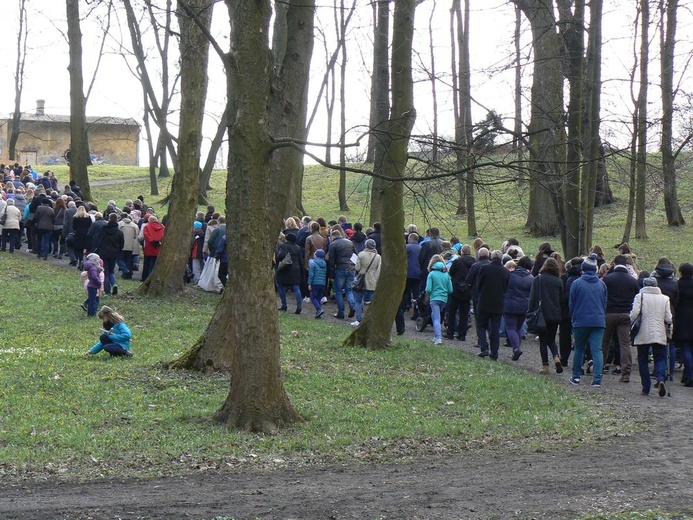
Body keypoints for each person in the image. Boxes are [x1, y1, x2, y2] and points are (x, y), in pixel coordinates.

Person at [568, 254, 606, 387]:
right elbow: (604, 303)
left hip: (581, 320)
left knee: (579, 348)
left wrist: (573, 317)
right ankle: (597, 379)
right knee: (597, 350)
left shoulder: (576, 284)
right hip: (598, 321)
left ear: (583, 269)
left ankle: (576, 376)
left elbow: (571, 304)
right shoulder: (602, 285)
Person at [601, 255, 640, 383]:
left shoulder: (607, 279)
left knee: (605, 342)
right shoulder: (632, 280)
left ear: (614, 264)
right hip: (625, 314)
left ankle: (600, 367)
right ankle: (625, 372)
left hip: (609, 313)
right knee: (624, 344)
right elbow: (636, 297)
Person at [631, 277, 673, 397]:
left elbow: (634, 314)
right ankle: (660, 379)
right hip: (659, 332)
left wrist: (631, 322)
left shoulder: (640, 296)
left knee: (643, 359)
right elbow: (669, 318)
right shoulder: (665, 298)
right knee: (660, 358)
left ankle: (646, 387)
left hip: (643, 332)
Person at [528, 257, 564, 372]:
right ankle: (556, 356)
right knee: (551, 339)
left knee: (543, 340)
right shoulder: (559, 281)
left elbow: (532, 297)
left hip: (542, 314)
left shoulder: (538, 279)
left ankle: (545, 365)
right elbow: (561, 299)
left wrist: (529, 311)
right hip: (555, 314)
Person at [476, 250, 510, 359]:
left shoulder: (485, 268)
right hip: (498, 303)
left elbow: (479, 284)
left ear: (491, 257)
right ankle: (494, 353)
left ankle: (484, 347)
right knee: (495, 329)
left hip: (484, 301)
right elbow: (506, 287)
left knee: (481, 325)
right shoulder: (505, 271)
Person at [504, 255, 534, 362]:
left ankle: (516, 348)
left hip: (510, 304)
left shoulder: (510, 275)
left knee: (510, 327)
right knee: (518, 328)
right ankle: (516, 349)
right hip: (524, 306)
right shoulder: (531, 278)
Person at [445, 244, 475, 340]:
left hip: (456, 289)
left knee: (452, 311)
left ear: (461, 251)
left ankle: (450, 332)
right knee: (464, 313)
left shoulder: (457, 261)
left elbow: (451, 273)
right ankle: (462, 335)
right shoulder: (474, 262)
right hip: (468, 289)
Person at [327, 229, 357, 319]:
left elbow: (331, 261)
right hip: (351, 268)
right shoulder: (350, 242)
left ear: (332, 237)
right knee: (349, 290)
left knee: (339, 291)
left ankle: (341, 312)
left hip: (340, 268)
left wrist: (331, 276)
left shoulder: (332, 245)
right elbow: (356, 255)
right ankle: (352, 305)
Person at [351, 239, 381, 326]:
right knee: (371, 302)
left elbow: (357, 268)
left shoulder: (361, 254)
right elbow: (378, 270)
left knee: (358, 301)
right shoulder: (378, 257)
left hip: (361, 279)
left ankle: (358, 319)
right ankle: (371, 321)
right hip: (372, 280)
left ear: (366, 245)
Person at [425, 254, 453, 345]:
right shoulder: (446, 275)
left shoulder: (431, 274)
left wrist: (429, 294)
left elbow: (428, 289)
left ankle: (438, 338)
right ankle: (436, 336)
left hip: (434, 298)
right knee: (434, 315)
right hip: (443, 299)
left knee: (436, 318)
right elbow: (450, 290)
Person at [674, 263, 693, 387]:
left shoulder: (678, 284)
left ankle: (690, 375)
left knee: (685, 348)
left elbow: (675, 302)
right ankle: (687, 375)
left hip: (682, 320)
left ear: (681, 272)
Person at [275, 232, 304, 313]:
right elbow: (300, 260)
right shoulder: (298, 248)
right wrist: (302, 272)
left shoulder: (284, 246)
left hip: (285, 269)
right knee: (296, 288)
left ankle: (284, 305)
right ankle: (299, 306)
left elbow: (280, 257)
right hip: (296, 269)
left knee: (280, 285)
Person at [81, 253, 104, 317]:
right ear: (94, 260)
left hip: (91, 285)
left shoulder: (92, 267)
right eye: (98, 259)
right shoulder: (93, 268)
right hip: (93, 286)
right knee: (93, 300)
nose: (99, 260)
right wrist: (99, 282)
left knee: (92, 299)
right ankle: (92, 313)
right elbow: (94, 277)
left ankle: (90, 313)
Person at [308, 249, 327, 318]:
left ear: (316, 255)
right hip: (322, 283)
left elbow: (311, 275)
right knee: (319, 298)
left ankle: (319, 309)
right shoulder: (324, 264)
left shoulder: (313, 263)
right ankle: (318, 315)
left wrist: (309, 283)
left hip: (315, 283)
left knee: (313, 297)